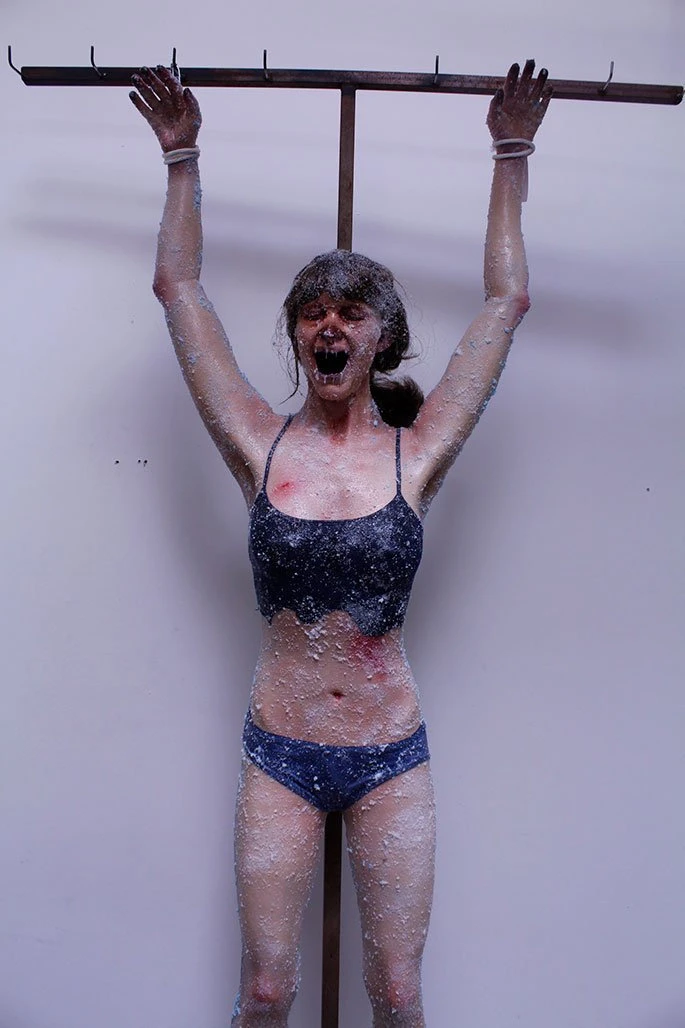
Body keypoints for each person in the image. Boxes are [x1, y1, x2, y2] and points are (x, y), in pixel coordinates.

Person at [130, 58, 552, 1028]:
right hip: (279, 749)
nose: (328, 325)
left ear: (378, 340)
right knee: (266, 992)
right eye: (311, 313)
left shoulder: (416, 452)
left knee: (397, 997)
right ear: (296, 335)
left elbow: (503, 305)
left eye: (349, 313)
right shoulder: (257, 442)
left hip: (387, 753)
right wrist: (182, 158)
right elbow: (179, 287)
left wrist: (510, 153)